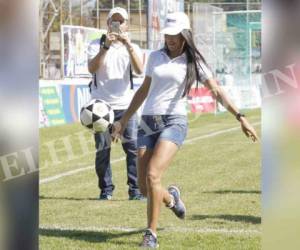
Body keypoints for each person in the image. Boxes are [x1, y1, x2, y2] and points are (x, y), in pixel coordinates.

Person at [112, 12, 259, 248]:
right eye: (167, 34)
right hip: (148, 123)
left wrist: (240, 117)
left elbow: (217, 91)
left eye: (175, 34)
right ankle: (171, 199)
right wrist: (122, 121)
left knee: (152, 175)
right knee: (144, 187)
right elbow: (142, 91)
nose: (169, 38)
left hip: (174, 122)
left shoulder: (194, 62)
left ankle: (151, 234)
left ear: (185, 35)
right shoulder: (155, 57)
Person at [88, 7, 145, 200]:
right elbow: (92, 68)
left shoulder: (133, 47)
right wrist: (105, 46)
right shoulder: (96, 44)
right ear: (107, 23)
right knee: (103, 150)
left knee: (133, 148)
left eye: (121, 21)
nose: (118, 24)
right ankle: (106, 190)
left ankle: (135, 190)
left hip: (126, 106)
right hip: (100, 107)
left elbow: (139, 70)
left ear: (127, 24)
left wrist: (128, 45)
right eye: (114, 21)